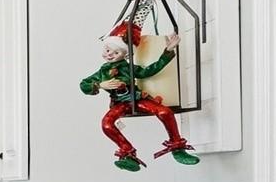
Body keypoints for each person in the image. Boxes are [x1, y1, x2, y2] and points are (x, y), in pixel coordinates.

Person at [80, 24, 197, 171]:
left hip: (137, 99)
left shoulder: (129, 68)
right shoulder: (102, 72)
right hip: (119, 104)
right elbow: (84, 84)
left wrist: (167, 51)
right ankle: (128, 153)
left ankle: (177, 147)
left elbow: (149, 70)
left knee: (164, 112)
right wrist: (100, 85)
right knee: (106, 124)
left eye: (116, 53)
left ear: (125, 55)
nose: (110, 54)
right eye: (108, 50)